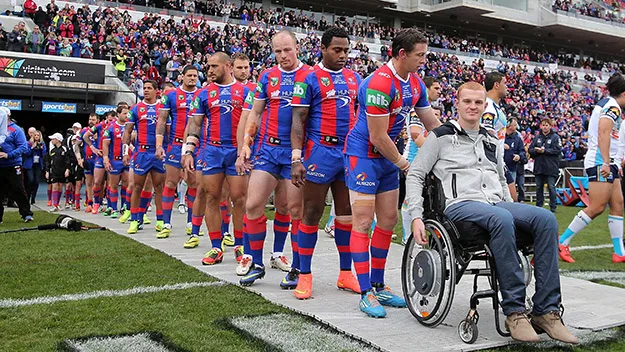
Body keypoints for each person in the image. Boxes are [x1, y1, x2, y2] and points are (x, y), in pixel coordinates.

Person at [406, 81, 579, 345]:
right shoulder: (440, 136)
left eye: (478, 102)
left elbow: (500, 177)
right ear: (458, 103)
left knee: (545, 218)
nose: (473, 107)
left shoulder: (490, 138)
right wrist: (417, 216)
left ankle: (547, 311)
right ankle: (515, 312)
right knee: (501, 218)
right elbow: (416, 174)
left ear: (484, 105)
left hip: (494, 204)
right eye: (467, 102)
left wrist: (516, 207)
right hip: (459, 206)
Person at [343, 28, 440, 318]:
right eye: (419, 55)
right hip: (364, 156)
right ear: (402, 54)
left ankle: (378, 284)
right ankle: (364, 292)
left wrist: (454, 140)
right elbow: (376, 136)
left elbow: (431, 122)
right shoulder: (379, 83)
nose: (424, 60)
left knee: (388, 221)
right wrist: (406, 164)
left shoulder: (415, 82)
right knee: (362, 222)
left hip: (387, 158)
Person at [235, 30, 314, 285]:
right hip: (268, 150)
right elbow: (255, 113)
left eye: (287, 50)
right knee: (252, 204)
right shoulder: (268, 76)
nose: (282, 55)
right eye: (277, 51)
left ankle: (298, 267)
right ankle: (256, 263)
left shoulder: (311, 75)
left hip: (297, 154)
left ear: (297, 47)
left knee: (294, 210)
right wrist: (246, 144)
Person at [289, 27, 362, 298]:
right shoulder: (308, 79)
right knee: (312, 212)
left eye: (346, 50)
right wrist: (297, 159)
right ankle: (305, 275)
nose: (343, 55)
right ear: (323, 48)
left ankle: (345, 274)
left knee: (346, 215)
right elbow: (297, 120)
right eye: (337, 50)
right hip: (319, 152)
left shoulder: (355, 78)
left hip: (348, 154)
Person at [182, 52, 250, 265]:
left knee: (239, 198)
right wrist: (188, 151)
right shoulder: (203, 94)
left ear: (227, 66)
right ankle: (215, 247)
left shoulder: (245, 91)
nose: (209, 70)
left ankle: (239, 245)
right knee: (212, 197)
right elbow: (195, 124)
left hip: (236, 152)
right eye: (208, 66)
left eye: (213, 66)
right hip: (212, 151)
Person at [559, 73, 625, 264]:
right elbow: (603, 133)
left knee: (618, 204)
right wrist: (605, 162)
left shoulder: (607, 103)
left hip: (608, 161)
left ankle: (619, 252)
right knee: (596, 207)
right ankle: (562, 241)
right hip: (600, 161)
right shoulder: (612, 107)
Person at [156, 65, 199, 239]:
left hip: (196, 145)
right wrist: (159, 145)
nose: (193, 78)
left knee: (193, 183)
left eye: (195, 76)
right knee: (170, 183)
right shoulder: (171, 95)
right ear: (181, 77)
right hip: (175, 145)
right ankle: (166, 223)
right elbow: (161, 121)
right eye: (189, 75)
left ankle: (191, 223)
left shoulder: (201, 94)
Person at [399, 77, 442, 245]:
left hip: (425, 160)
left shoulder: (429, 109)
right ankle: (406, 236)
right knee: (411, 198)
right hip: (414, 159)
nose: (439, 91)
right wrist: (438, 152)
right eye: (436, 88)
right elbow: (416, 135)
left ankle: (411, 235)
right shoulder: (417, 109)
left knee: (422, 198)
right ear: (426, 88)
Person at [123, 80, 166, 234]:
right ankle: (134, 219)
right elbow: (127, 132)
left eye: (149, 88)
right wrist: (125, 152)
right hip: (141, 153)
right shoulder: (135, 109)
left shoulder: (163, 108)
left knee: (159, 188)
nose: (146, 90)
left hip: (158, 153)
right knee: (137, 187)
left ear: (156, 91)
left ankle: (161, 220)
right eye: (144, 88)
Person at [482, 71, 517, 201]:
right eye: (505, 83)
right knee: (510, 200)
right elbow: (487, 136)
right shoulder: (489, 108)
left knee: (512, 200)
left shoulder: (495, 107)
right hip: (493, 161)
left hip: (498, 160)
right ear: (497, 85)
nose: (507, 87)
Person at [0, 107, 33, 223]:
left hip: (13, 164)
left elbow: (23, 147)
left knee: (18, 189)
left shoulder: (16, 130)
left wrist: (8, 155)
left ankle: (26, 214)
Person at [102, 106, 130, 218]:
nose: (126, 116)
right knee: (113, 185)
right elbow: (105, 143)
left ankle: (124, 207)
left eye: (127, 113)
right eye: (124, 113)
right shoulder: (111, 127)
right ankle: (113, 208)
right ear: (118, 114)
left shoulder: (130, 126)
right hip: (115, 160)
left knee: (127, 184)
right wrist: (105, 159)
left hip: (127, 160)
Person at [529, 117, 561, 212]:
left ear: (550, 126)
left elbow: (557, 150)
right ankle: (539, 206)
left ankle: (553, 207)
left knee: (551, 187)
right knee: (539, 187)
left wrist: (545, 151)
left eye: (547, 125)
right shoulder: (537, 137)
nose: (545, 127)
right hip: (539, 166)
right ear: (540, 126)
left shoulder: (555, 137)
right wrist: (536, 150)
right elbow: (530, 150)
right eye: (543, 125)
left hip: (551, 166)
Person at [79, 113, 99, 213]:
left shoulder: (101, 130)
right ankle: (89, 203)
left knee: (98, 183)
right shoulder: (83, 131)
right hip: (87, 159)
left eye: (93, 119)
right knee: (89, 182)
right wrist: (79, 158)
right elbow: (76, 145)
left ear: (97, 121)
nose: (91, 121)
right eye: (90, 119)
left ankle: (98, 202)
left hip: (98, 159)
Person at [45, 133, 70, 212]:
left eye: (53, 139)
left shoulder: (65, 149)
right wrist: (47, 171)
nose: (52, 140)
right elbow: (48, 161)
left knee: (60, 187)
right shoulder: (52, 150)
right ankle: (55, 204)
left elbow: (68, 160)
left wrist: (67, 169)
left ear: (58, 140)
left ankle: (57, 203)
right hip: (54, 171)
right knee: (55, 186)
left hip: (62, 171)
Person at [23, 129, 46, 204]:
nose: (36, 136)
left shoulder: (42, 144)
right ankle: (28, 196)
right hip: (30, 165)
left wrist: (41, 149)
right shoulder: (28, 143)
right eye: (35, 135)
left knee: (36, 181)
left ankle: (33, 198)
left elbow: (44, 154)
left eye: (38, 135)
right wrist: (32, 147)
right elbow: (26, 153)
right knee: (31, 180)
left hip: (38, 165)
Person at [504, 117, 526, 193]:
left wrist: (519, 156)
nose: (516, 127)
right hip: (500, 166)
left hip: (512, 167)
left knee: (511, 188)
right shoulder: (500, 136)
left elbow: (522, 152)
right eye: (515, 125)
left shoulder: (518, 138)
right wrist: (500, 145)